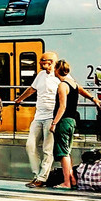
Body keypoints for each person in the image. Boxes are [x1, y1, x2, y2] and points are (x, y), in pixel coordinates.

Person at [14, 53, 61, 188]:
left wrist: (93, 99)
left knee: (48, 148)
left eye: (42, 61)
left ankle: (42, 177)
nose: (40, 63)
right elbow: (32, 89)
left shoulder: (59, 76)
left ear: (51, 62)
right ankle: (37, 174)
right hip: (38, 116)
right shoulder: (40, 75)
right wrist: (19, 99)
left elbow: (74, 87)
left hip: (51, 116)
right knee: (30, 145)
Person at [48, 60, 82, 189]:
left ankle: (66, 182)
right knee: (67, 151)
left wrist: (54, 123)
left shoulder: (62, 85)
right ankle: (72, 179)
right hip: (72, 121)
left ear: (57, 69)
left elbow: (62, 106)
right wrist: (93, 98)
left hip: (63, 121)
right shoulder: (74, 84)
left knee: (63, 153)